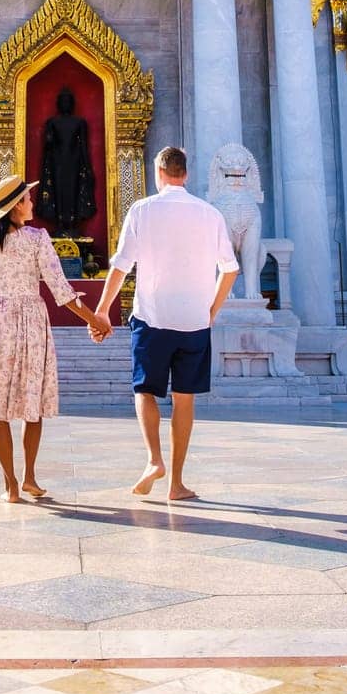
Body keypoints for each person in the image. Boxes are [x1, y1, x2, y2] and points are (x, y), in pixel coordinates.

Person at [0, 171, 112, 502]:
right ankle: (29, 477)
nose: (31, 203)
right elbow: (61, 291)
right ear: (14, 208)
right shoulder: (37, 239)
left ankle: (10, 483)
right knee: (32, 401)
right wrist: (94, 318)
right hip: (29, 322)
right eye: (26, 199)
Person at [92, 146, 239, 501]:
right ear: (184, 174)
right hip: (194, 321)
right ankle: (176, 483)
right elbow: (230, 269)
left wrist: (101, 311)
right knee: (184, 399)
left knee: (144, 390)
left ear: (158, 173)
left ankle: (154, 459)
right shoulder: (210, 214)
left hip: (153, 317)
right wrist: (211, 311)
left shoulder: (142, 210)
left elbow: (121, 266)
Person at [37, 87, 97, 235]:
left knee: (74, 192)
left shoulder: (79, 122)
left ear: (72, 103)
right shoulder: (52, 122)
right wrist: (49, 141)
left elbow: (83, 145)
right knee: (58, 193)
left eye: (68, 101)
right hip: (56, 164)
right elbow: (47, 147)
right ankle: (60, 225)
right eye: (63, 101)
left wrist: (88, 168)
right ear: (58, 104)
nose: (65, 104)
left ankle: (73, 225)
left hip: (75, 163)